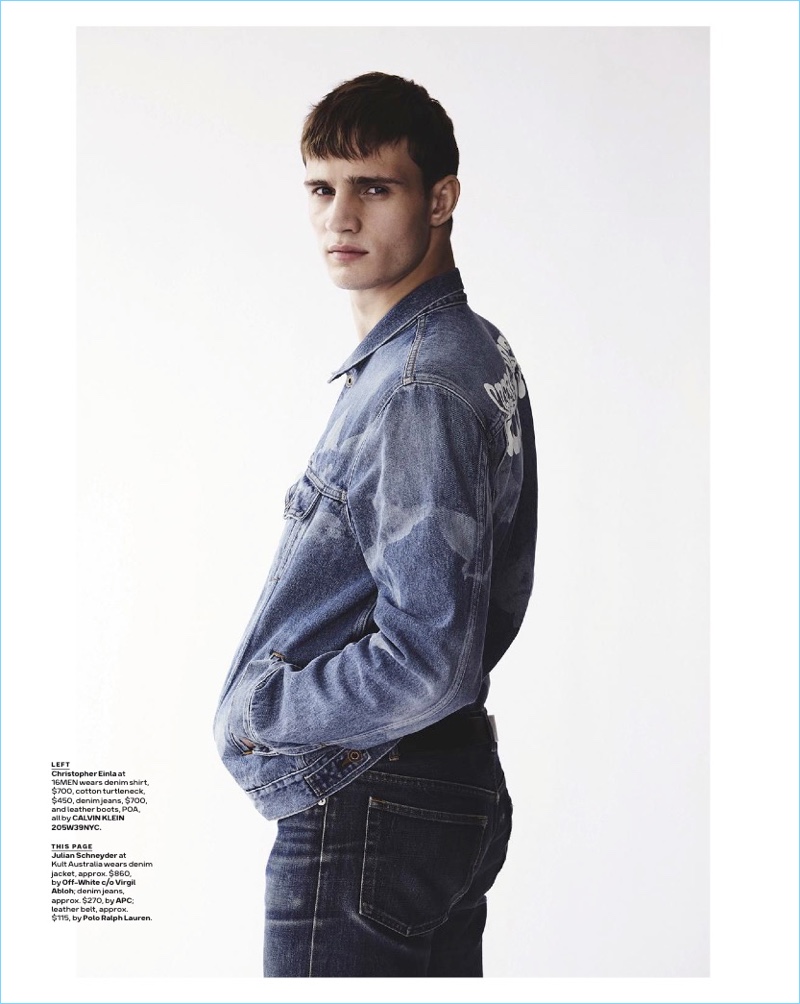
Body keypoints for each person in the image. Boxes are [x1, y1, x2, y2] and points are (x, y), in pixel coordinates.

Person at [213, 71, 537, 978]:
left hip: (369, 797)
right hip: (431, 787)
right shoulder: (470, 349)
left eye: (374, 188)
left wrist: (259, 712)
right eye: (321, 189)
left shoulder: (418, 384)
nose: (340, 217)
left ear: (441, 200)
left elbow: (427, 656)